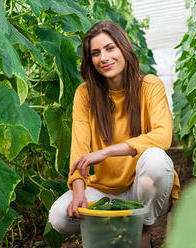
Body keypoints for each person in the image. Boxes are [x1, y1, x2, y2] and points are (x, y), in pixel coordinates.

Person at [48, 20, 180, 248]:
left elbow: (162, 136)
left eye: (110, 48)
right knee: (59, 217)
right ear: (91, 61)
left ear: (123, 48)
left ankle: (142, 232)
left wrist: (106, 152)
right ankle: (113, 233)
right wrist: (78, 190)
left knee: (156, 160)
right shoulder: (85, 94)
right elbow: (79, 149)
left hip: (142, 187)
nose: (104, 58)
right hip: (103, 190)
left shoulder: (150, 86)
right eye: (96, 53)